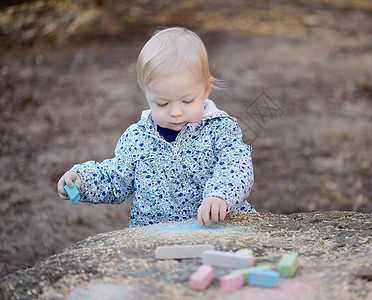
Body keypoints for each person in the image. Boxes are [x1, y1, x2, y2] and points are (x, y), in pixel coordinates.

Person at [57, 27, 256, 227]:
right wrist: (83, 181)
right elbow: (117, 177)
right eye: (162, 103)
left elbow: (236, 166)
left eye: (187, 101)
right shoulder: (138, 138)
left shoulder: (220, 130)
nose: (175, 112)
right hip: (155, 240)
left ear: (206, 89)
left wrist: (220, 195)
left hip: (214, 230)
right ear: (147, 95)